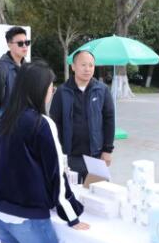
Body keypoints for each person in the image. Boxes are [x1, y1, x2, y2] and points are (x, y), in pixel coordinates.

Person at [0, 61, 89, 243]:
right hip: (28, 216)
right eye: (51, 87)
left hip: (1, 211)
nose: (52, 91)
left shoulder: (4, 120)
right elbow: (56, 174)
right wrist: (71, 215)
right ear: (39, 89)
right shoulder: (41, 124)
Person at [49, 50, 115, 182]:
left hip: (96, 156)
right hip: (70, 156)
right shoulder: (62, 91)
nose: (87, 69)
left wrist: (107, 150)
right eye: (83, 65)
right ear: (73, 67)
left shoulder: (102, 90)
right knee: (71, 192)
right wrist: (58, 151)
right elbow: (55, 123)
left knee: (98, 190)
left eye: (91, 65)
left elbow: (109, 120)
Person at [0, 26, 30, 114]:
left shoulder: (27, 67)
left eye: (27, 42)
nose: (25, 46)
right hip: (7, 117)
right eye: (20, 43)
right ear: (9, 45)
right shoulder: (2, 68)